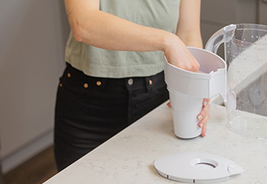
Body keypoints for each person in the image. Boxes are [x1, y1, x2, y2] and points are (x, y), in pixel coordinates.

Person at [54, 0, 210, 171]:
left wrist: (193, 91)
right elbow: (83, 24)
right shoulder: (167, 41)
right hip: (88, 110)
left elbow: (188, 35)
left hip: (158, 103)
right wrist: (167, 41)